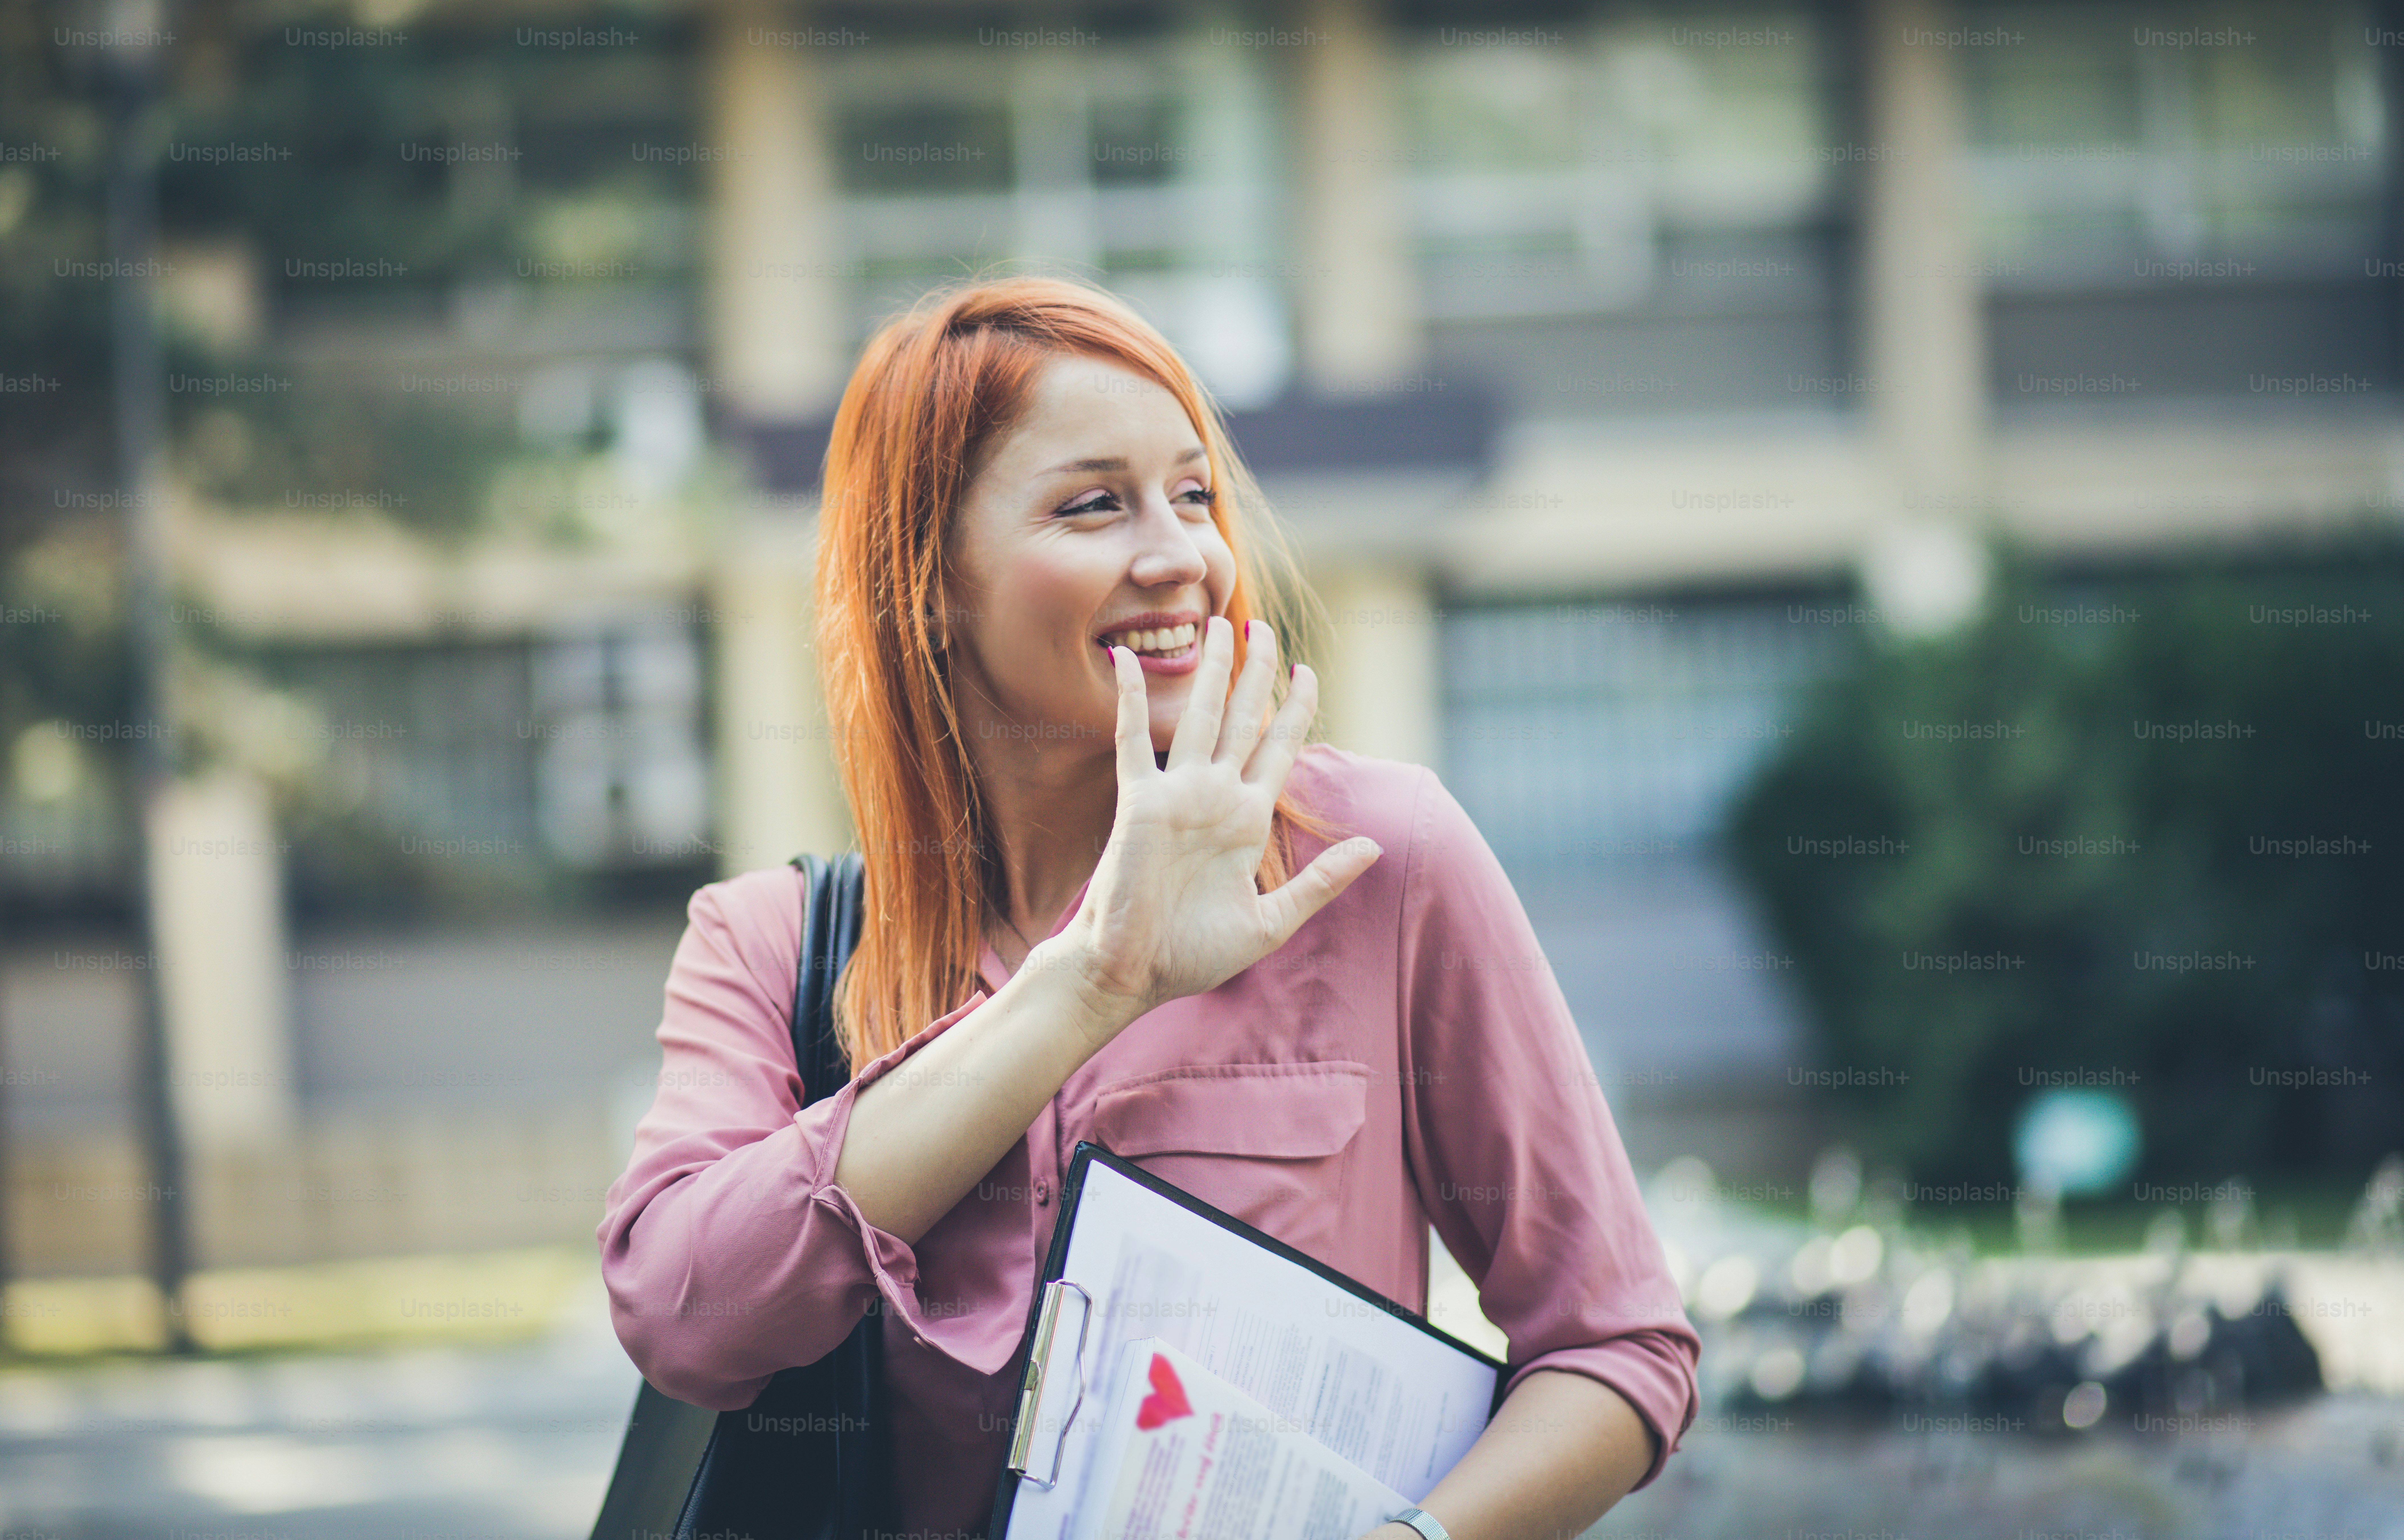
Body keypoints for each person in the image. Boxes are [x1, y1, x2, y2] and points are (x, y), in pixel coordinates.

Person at [598, 275, 1699, 1538]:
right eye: (1092, 506)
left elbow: (1617, 1352)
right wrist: (1087, 985)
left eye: (1191, 494)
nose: (1181, 556)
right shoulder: (773, 947)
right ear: (926, 580)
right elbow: (683, 1321)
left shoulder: (1373, 861)